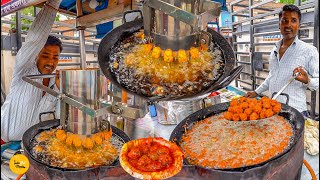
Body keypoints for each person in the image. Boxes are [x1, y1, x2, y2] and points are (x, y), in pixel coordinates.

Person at [1, 0, 63, 143]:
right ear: (36, 55)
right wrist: (53, 5)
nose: (50, 62)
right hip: (7, 142)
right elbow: (35, 40)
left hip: (34, 146)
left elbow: (57, 114)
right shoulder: (24, 70)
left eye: (55, 57)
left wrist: (60, 89)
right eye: (45, 55)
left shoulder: (56, 81)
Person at [246, 4, 319, 117]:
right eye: (284, 20)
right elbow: (272, 76)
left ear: (299, 25)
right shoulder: (274, 49)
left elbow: (318, 82)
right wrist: (256, 92)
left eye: (293, 20)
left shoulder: (309, 51)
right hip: (274, 110)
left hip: (296, 112)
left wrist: (307, 80)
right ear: (279, 24)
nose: (288, 25)